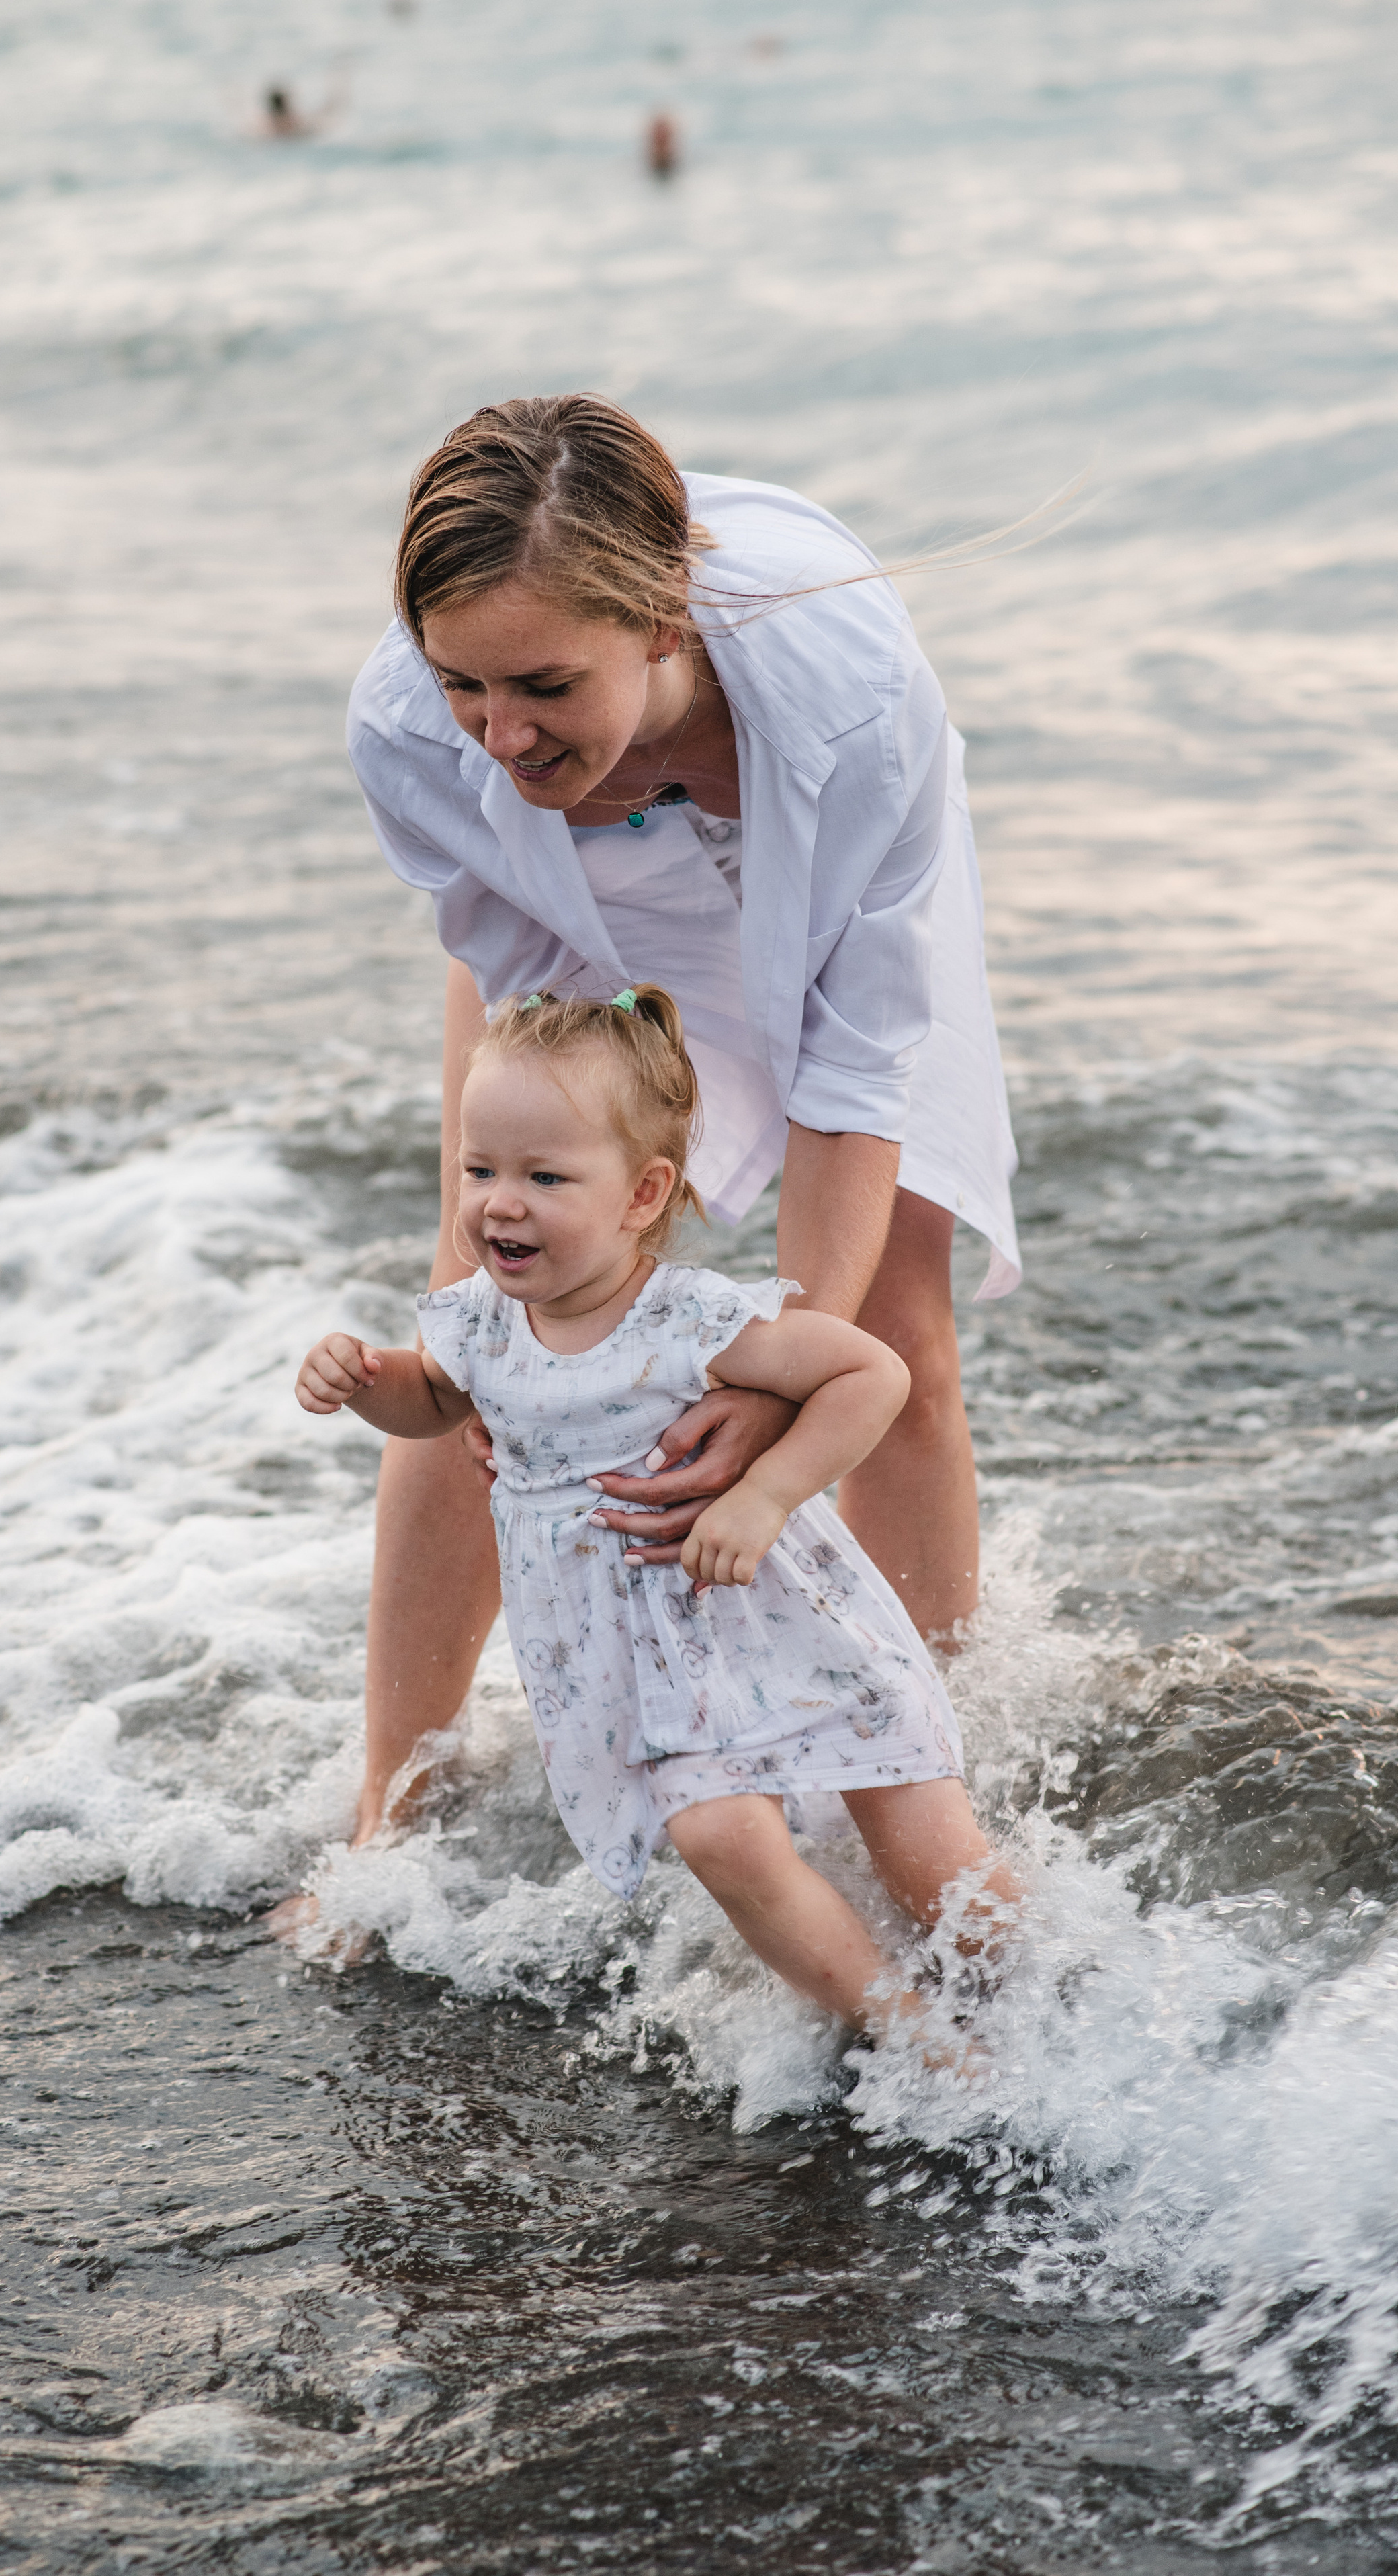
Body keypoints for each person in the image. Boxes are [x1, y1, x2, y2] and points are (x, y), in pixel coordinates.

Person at [333, 392, 1021, 1866]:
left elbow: (850, 1071)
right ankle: (391, 1810)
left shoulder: (848, 711)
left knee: (890, 1313)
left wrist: (772, 1387)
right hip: (572, 904)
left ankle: (923, 1767)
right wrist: (589, 1249)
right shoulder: (416, 731)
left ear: (655, 622)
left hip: (831, 872)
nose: (498, 734)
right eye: (460, 680)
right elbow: (519, 983)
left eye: (537, 683)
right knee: (491, 1299)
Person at [295, 987, 1018, 2040]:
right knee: (723, 1839)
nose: (501, 1202)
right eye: (479, 1167)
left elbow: (871, 1373)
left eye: (545, 1176)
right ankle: (907, 2034)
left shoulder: (689, 1318)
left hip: (792, 1631)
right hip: (650, 1670)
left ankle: (1076, 2015)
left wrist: (769, 1492)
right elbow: (432, 1400)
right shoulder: (484, 1326)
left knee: (936, 1863)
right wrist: (363, 1379)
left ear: (643, 1193)